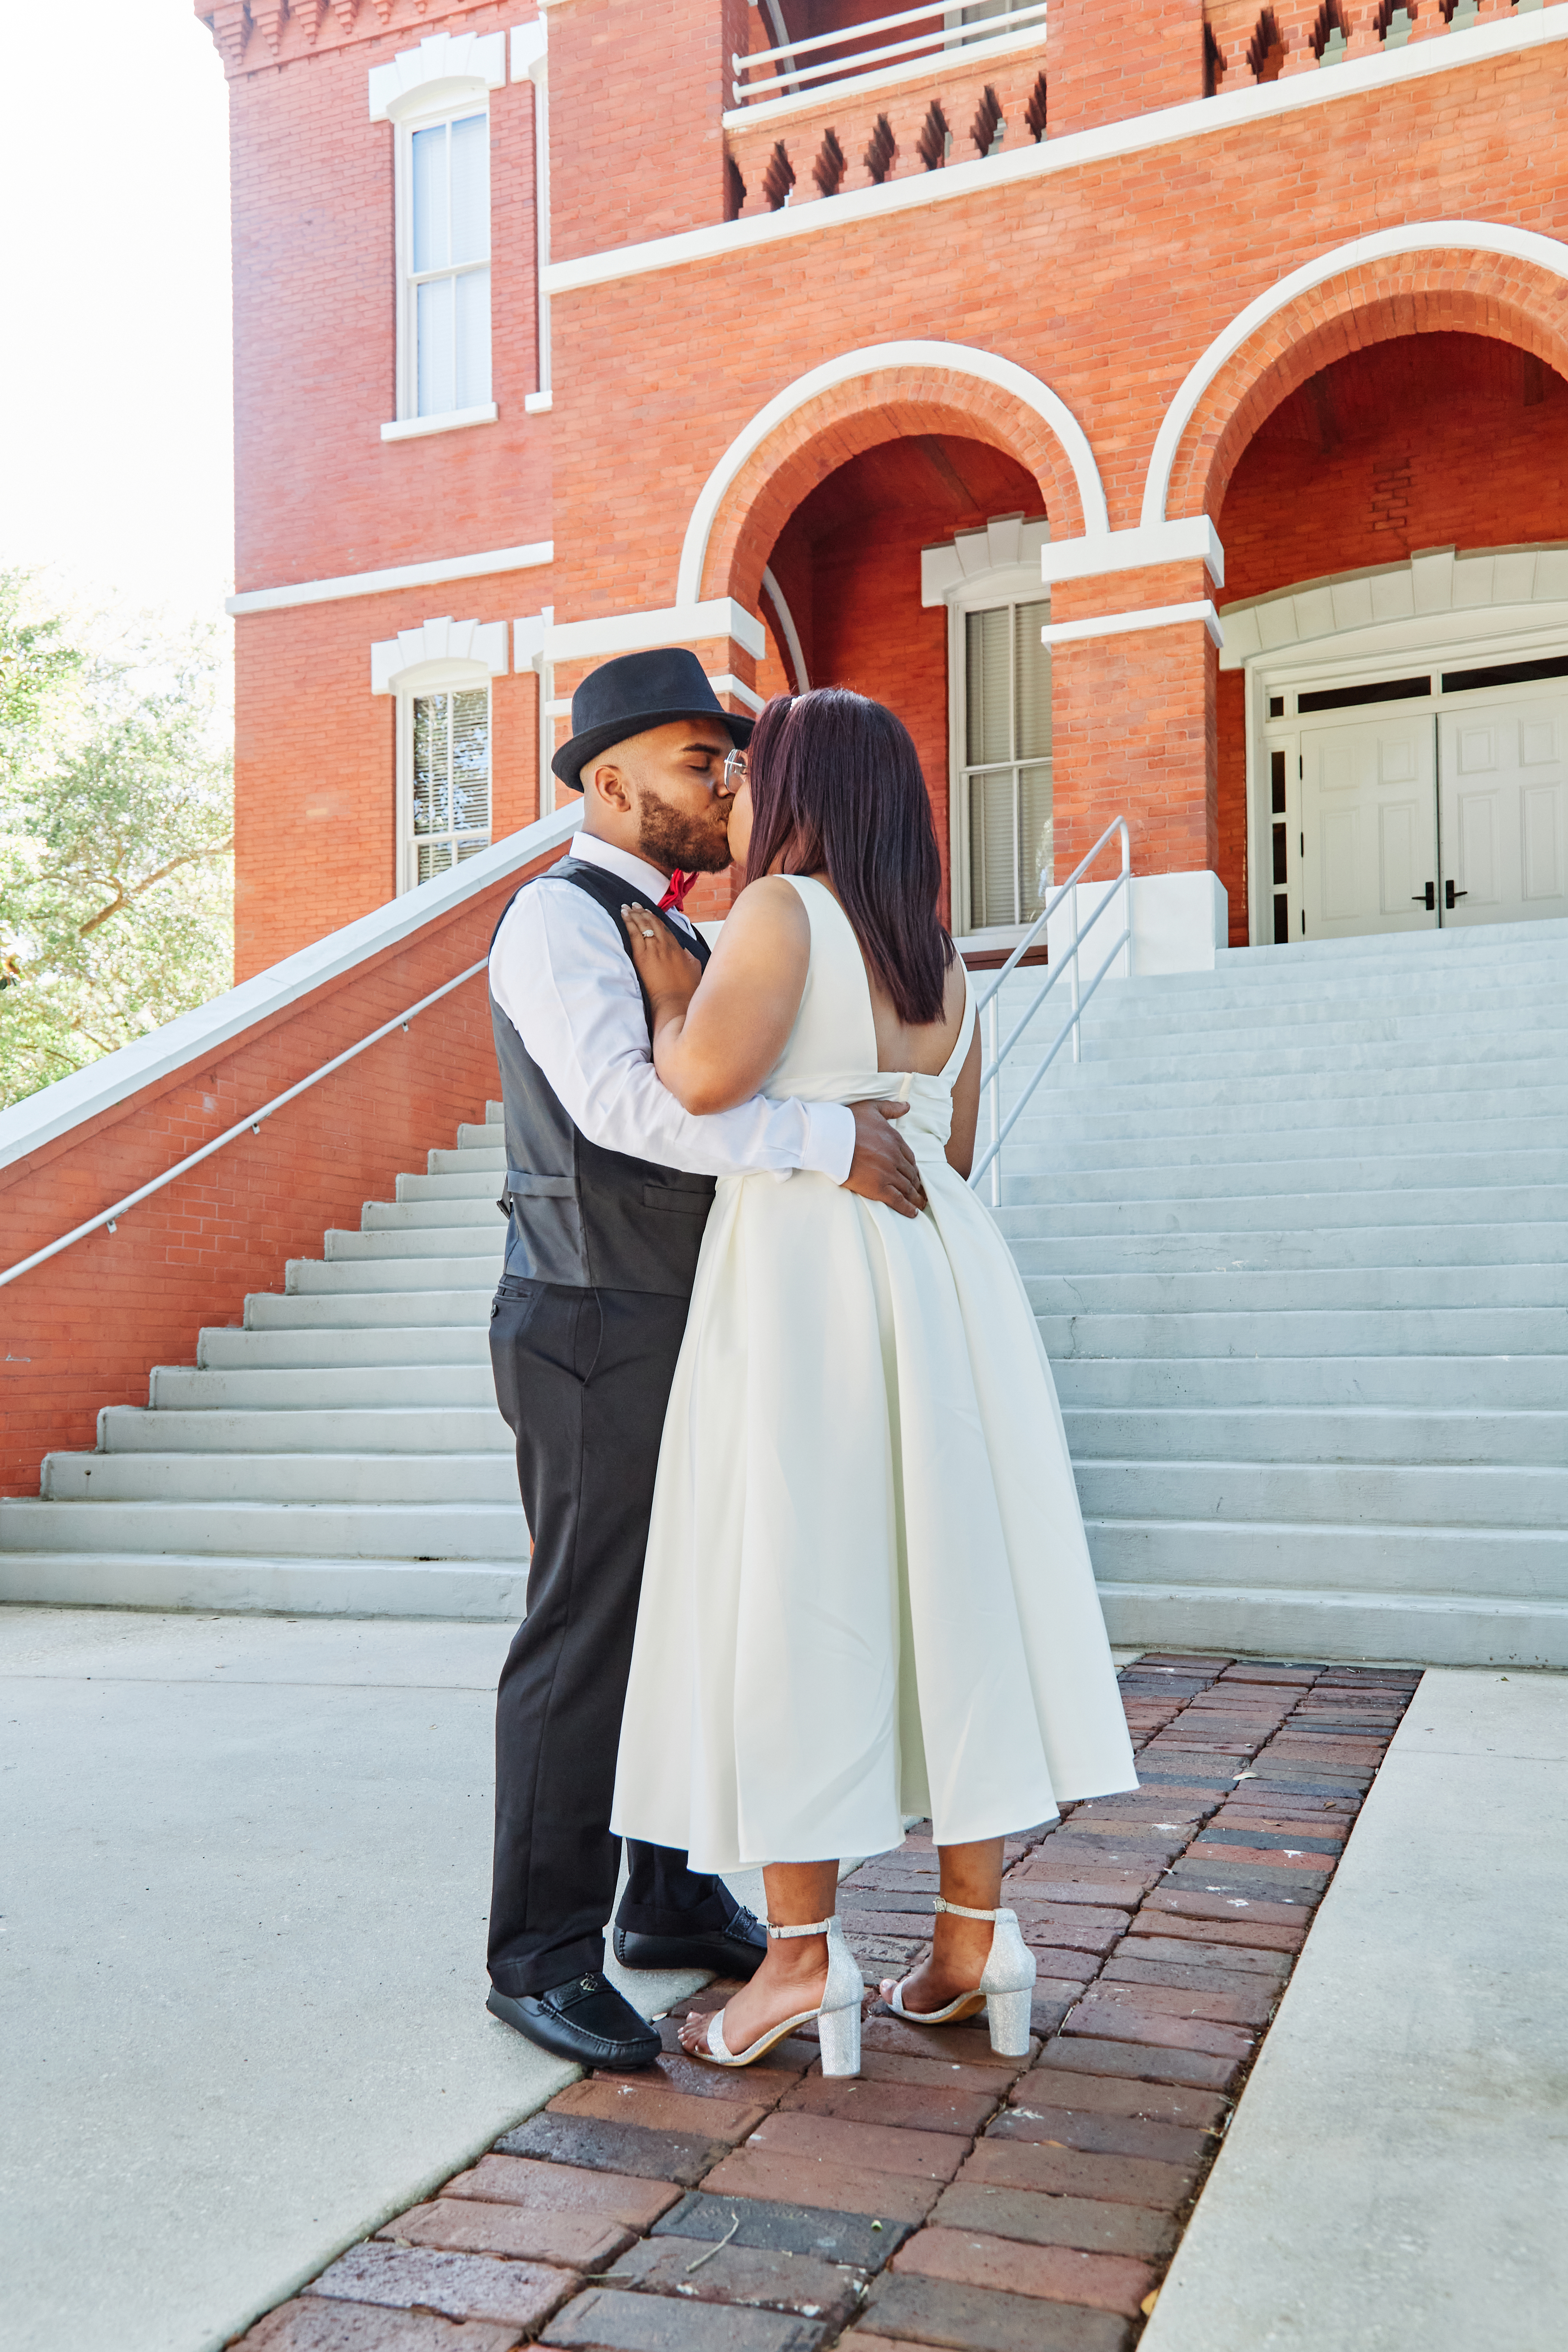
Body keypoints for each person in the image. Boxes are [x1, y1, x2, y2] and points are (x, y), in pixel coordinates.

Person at [610, 686, 1138, 2075]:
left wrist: (675, 1003)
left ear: (802, 787)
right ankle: (973, 1936)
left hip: (808, 1274)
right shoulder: (940, 954)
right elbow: (948, 1130)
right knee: (951, 1588)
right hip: (943, 1266)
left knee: (800, 1583)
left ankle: (797, 1965)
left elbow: (707, 1082)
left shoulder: (784, 912)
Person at [484, 649, 931, 2071]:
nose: (731, 784)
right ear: (609, 781)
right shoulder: (556, 920)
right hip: (590, 1319)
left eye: (735, 762)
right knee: (591, 1628)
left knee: (703, 1612)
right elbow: (625, 1108)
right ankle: (539, 1956)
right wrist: (824, 1140)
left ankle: (668, 1896)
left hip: (692, 1313)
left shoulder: (697, 921)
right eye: (701, 762)